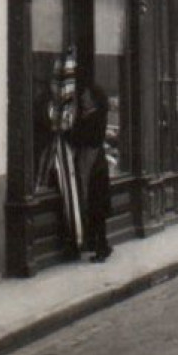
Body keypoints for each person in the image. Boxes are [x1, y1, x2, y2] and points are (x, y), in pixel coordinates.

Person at [69, 83, 114, 262]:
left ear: (93, 99)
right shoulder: (94, 115)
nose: (82, 98)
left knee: (95, 208)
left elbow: (81, 138)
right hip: (94, 166)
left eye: (85, 96)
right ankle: (98, 243)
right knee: (95, 209)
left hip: (93, 168)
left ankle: (101, 248)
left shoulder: (93, 117)